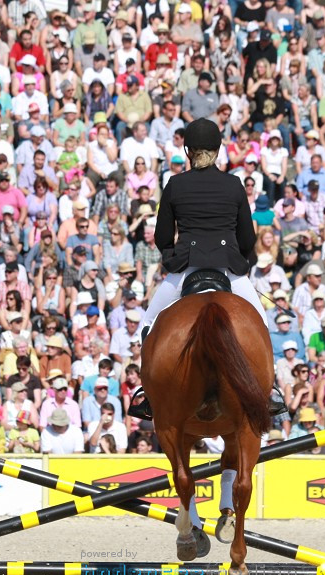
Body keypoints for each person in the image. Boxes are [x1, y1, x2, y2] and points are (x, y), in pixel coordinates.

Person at [130, 118, 267, 420]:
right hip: (228, 270)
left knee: (148, 326)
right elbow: (248, 237)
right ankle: (271, 392)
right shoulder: (233, 184)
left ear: (188, 150)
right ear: (218, 150)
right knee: (262, 325)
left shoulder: (175, 184)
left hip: (186, 269)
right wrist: (238, 260)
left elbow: (162, 236)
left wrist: (173, 257)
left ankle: (149, 396)